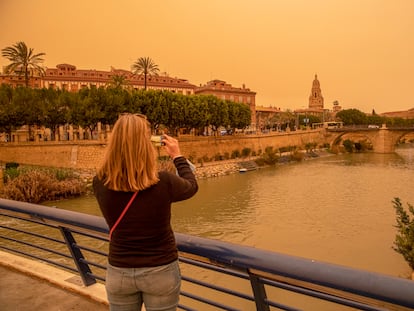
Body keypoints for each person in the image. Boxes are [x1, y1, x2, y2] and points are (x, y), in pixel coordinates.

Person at [93, 113, 198, 311]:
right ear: (146, 144)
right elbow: (191, 186)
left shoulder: (100, 182)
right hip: (161, 270)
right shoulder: (164, 182)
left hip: (119, 271)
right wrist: (177, 156)